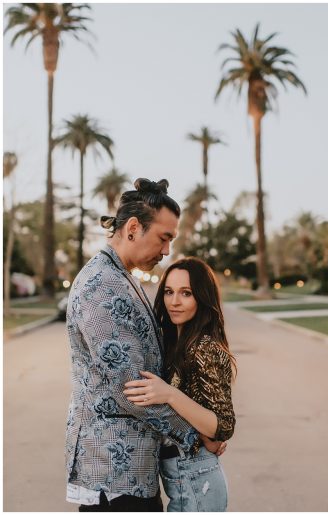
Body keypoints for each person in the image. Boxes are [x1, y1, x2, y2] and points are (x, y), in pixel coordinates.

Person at [65, 179, 198, 511]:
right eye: (164, 238)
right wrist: (195, 434)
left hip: (131, 473)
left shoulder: (122, 276)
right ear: (133, 228)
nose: (167, 251)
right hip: (113, 478)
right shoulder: (102, 286)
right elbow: (133, 390)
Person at [123, 257, 237, 511]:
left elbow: (223, 425)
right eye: (169, 292)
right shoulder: (173, 343)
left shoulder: (204, 347)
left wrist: (170, 395)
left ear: (202, 297)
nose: (174, 302)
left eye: (186, 293)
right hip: (182, 477)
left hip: (198, 480)